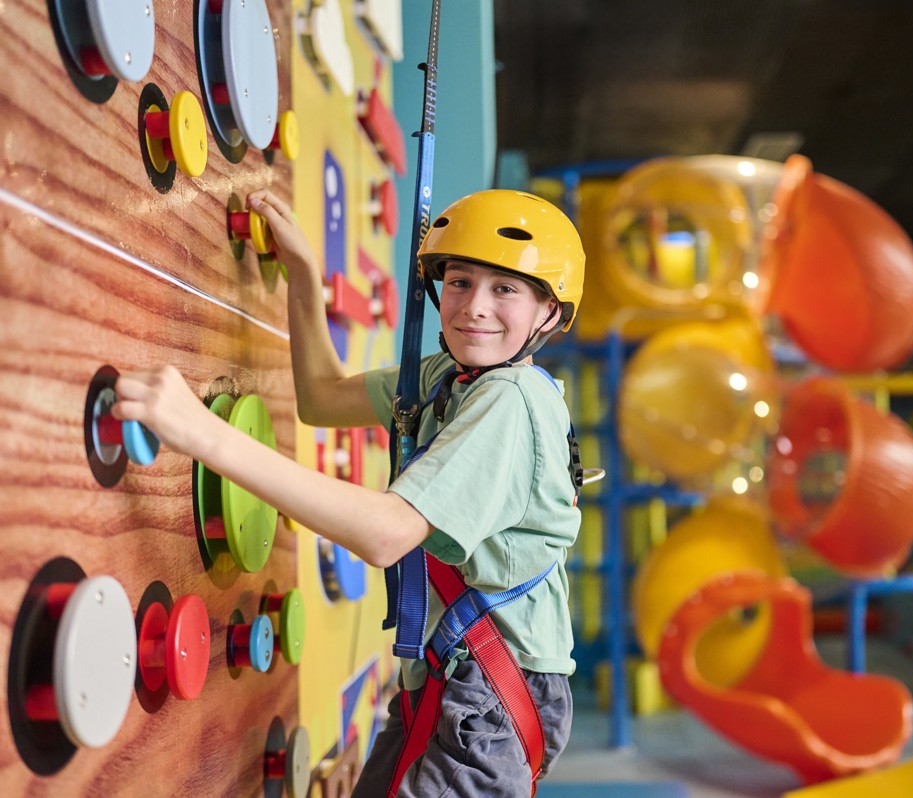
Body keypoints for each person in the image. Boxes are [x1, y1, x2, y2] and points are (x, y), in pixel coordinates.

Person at [112, 188, 586, 797]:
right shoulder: (448, 379)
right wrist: (305, 276)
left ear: (549, 312)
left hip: (490, 698)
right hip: (452, 680)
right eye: (461, 281)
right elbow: (321, 397)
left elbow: (386, 532)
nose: (474, 308)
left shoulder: (511, 401)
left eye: (506, 290)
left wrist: (201, 432)